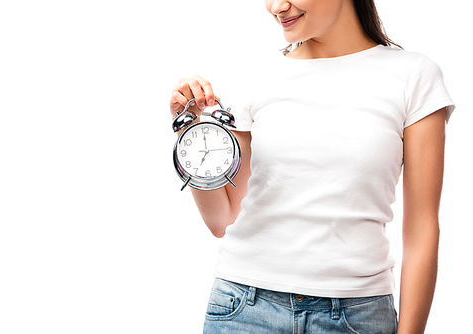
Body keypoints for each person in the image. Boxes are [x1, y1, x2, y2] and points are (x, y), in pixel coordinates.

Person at [169, 0, 455, 333]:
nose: (276, 6)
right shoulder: (256, 74)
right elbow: (222, 218)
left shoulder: (413, 76)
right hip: (244, 308)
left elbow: (422, 228)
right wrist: (190, 129)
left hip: (356, 315)